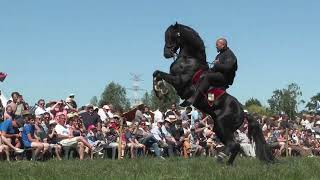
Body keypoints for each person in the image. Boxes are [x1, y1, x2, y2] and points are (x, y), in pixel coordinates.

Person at [180, 38, 238, 106]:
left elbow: (229, 67)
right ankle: (210, 100)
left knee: (208, 77)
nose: (216, 46)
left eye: (217, 45)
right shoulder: (219, 55)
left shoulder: (229, 54)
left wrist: (217, 65)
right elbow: (215, 68)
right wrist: (205, 71)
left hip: (225, 77)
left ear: (223, 45)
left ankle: (194, 97)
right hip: (218, 75)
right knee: (202, 74)